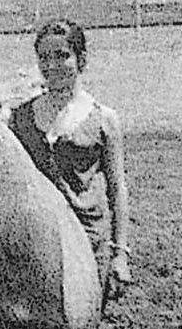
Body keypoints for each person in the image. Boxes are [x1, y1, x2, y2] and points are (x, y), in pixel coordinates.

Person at [8, 19, 134, 305]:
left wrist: (120, 254)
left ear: (81, 59)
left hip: (88, 242)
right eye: (44, 58)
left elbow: (117, 190)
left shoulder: (104, 120)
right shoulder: (20, 118)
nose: (52, 66)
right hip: (36, 243)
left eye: (62, 55)